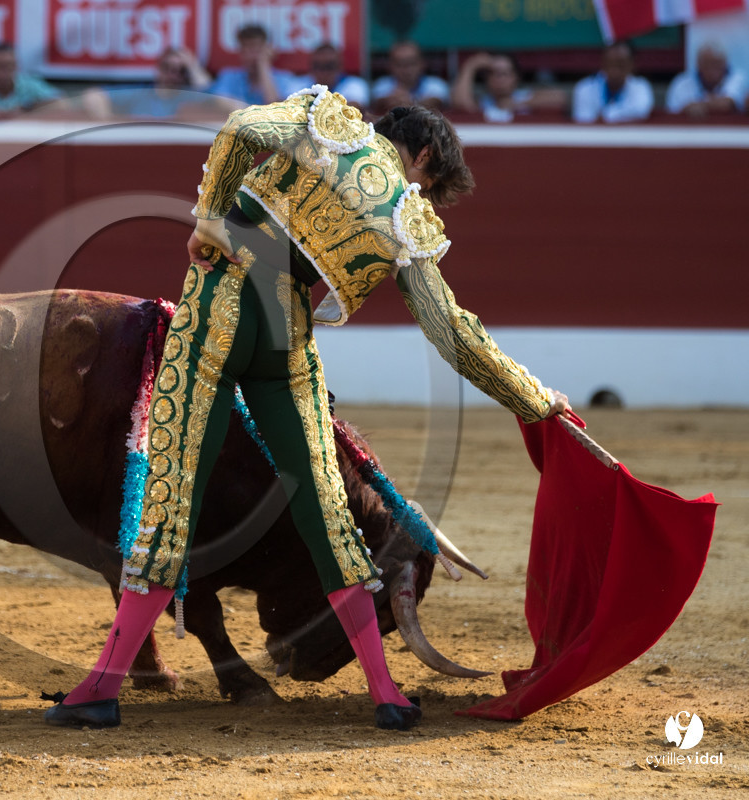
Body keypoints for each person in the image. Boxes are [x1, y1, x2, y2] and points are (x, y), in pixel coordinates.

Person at [43, 93, 569, 732]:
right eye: (427, 184)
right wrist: (536, 399)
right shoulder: (403, 215)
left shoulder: (331, 121)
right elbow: (453, 332)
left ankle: (102, 688)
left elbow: (240, 126)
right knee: (327, 511)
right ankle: (387, 695)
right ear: (422, 153)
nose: (420, 197)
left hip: (220, 303)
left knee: (171, 500)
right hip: (287, 334)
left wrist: (209, 217)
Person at [80, 48, 218, 120]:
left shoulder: (189, 98)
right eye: (166, 67)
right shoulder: (140, 94)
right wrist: (110, 126)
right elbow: (93, 96)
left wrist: (193, 65)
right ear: (158, 69)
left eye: (180, 70)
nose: (172, 74)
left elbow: (215, 96)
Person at [450, 52, 568, 122]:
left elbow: (560, 97)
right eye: (493, 73)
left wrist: (517, 104)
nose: (499, 79)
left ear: (516, 77)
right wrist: (471, 66)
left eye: (504, 74)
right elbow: (460, 104)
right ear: (486, 78)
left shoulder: (524, 97)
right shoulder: (483, 102)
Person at [208, 24, 296, 106]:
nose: (248, 55)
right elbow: (218, 104)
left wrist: (263, 65)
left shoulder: (284, 79)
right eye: (244, 48)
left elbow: (275, 108)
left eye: (253, 48)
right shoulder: (229, 76)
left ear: (267, 49)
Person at [572, 41, 653, 124]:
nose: (615, 70)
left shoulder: (641, 87)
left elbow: (641, 112)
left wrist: (606, 116)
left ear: (632, 64)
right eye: (610, 63)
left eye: (621, 64)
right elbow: (583, 120)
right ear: (603, 63)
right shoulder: (584, 88)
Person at [665, 43, 746, 117]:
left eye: (717, 64)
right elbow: (672, 113)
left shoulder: (737, 77)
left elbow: (728, 104)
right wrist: (687, 109)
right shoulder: (681, 83)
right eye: (707, 64)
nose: (713, 69)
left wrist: (700, 106)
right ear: (698, 64)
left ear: (724, 64)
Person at [371, 40, 449, 112]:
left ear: (422, 63)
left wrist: (407, 101)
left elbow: (435, 103)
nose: (406, 69)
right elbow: (381, 103)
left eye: (411, 63)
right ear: (390, 65)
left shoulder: (436, 84)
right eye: (399, 64)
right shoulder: (381, 85)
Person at [291, 42, 369, 109]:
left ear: (340, 66)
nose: (324, 72)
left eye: (329, 66)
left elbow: (352, 109)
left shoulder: (355, 84)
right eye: (318, 66)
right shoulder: (298, 85)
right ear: (311, 67)